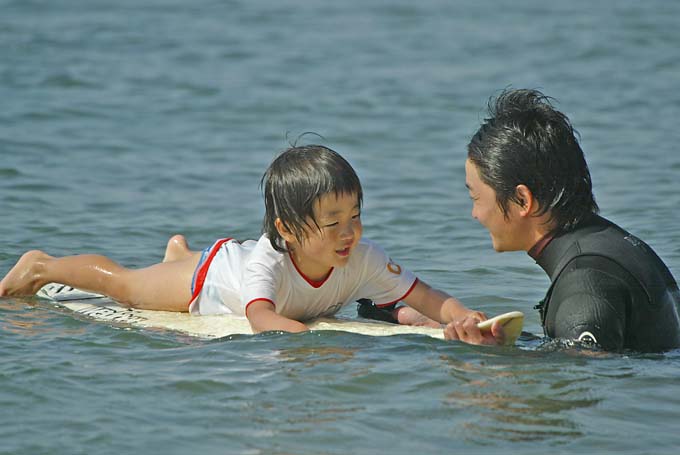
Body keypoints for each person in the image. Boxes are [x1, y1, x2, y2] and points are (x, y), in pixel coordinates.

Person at [0, 145, 504, 342]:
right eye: (333, 223)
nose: (349, 232)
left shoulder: (360, 257)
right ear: (287, 230)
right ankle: (45, 265)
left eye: (355, 216)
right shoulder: (270, 259)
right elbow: (260, 317)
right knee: (128, 287)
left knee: (165, 270)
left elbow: (425, 296)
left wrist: (462, 317)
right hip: (210, 281)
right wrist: (313, 342)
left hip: (223, 267)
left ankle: (177, 254)